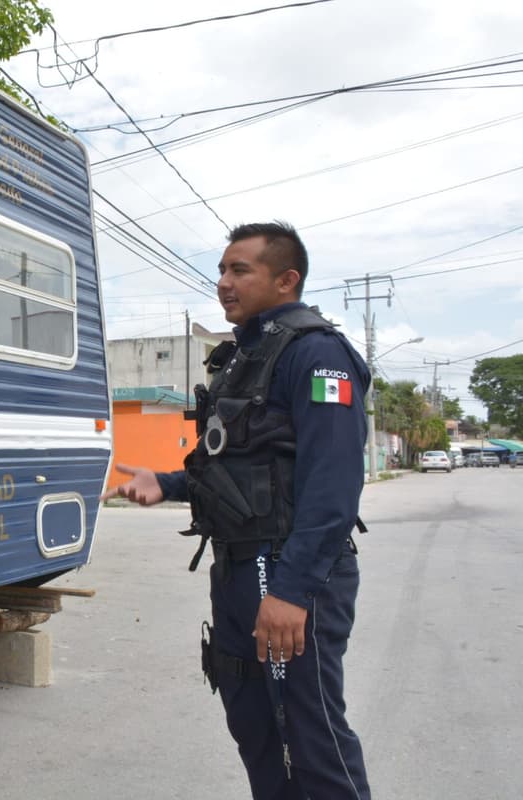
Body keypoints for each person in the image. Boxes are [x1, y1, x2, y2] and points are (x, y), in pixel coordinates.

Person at [105, 222, 371, 799]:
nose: (223, 282)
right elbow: (234, 470)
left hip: (286, 571)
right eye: (222, 270)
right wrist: (168, 484)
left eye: (239, 270)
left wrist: (293, 591)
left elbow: (332, 487)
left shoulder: (318, 354)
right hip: (237, 569)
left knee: (310, 733)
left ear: (286, 279)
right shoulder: (243, 358)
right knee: (253, 725)